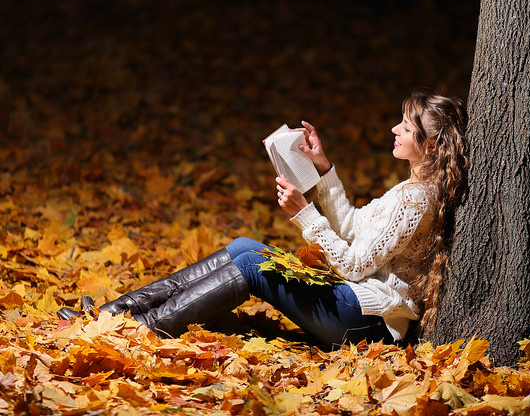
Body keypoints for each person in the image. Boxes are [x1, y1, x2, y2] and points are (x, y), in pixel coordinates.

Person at [58, 89, 468, 348]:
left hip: (366, 321)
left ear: (430, 147)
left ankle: (134, 331)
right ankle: (113, 316)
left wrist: (304, 213)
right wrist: (324, 171)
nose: (395, 128)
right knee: (243, 248)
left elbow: (355, 265)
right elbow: (356, 229)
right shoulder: (410, 189)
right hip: (353, 304)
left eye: (406, 126)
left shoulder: (416, 200)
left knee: (252, 264)